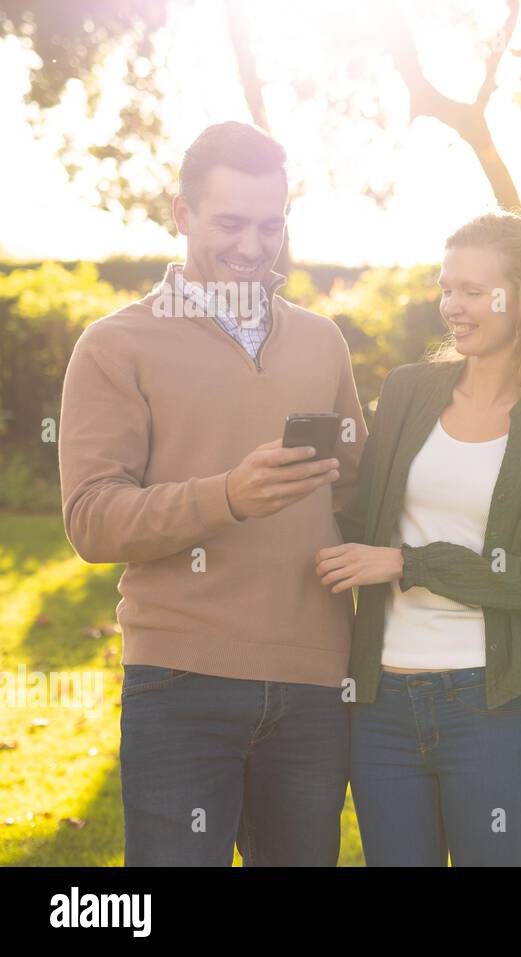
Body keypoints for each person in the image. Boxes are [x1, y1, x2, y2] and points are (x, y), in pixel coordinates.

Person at [58, 121, 367, 866]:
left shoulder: (323, 341)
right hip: (180, 683)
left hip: (315, 685)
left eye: (271, 224)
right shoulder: (116, 345)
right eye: (230, 223)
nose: (253, 246)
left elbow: (361, 489)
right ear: (183, 214)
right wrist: (226, 495)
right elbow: (91, 520)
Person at [316, 210, 521, 866]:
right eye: (446, 286)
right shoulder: (408, 391)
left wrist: (409, 562)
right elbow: (362, 521)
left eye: (475, 291)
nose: (452, 305)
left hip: (483, 707)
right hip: (381, 707)